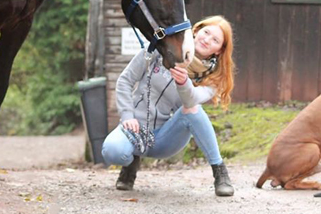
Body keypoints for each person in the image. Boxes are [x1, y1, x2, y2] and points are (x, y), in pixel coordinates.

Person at [101, 15, 236, 196]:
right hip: (133, 129)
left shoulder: (212, 78)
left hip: (164, 139)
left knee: (192, 109)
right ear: (195, 32)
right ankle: (131, 164)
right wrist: (127, 115)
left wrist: (184, 83)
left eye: (215, 40)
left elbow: (191, 99)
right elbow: (125, 80)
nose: (207, 39)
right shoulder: (160, 50)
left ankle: (220, 172)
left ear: (219, 50)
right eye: (206, 32)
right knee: (112, 151)